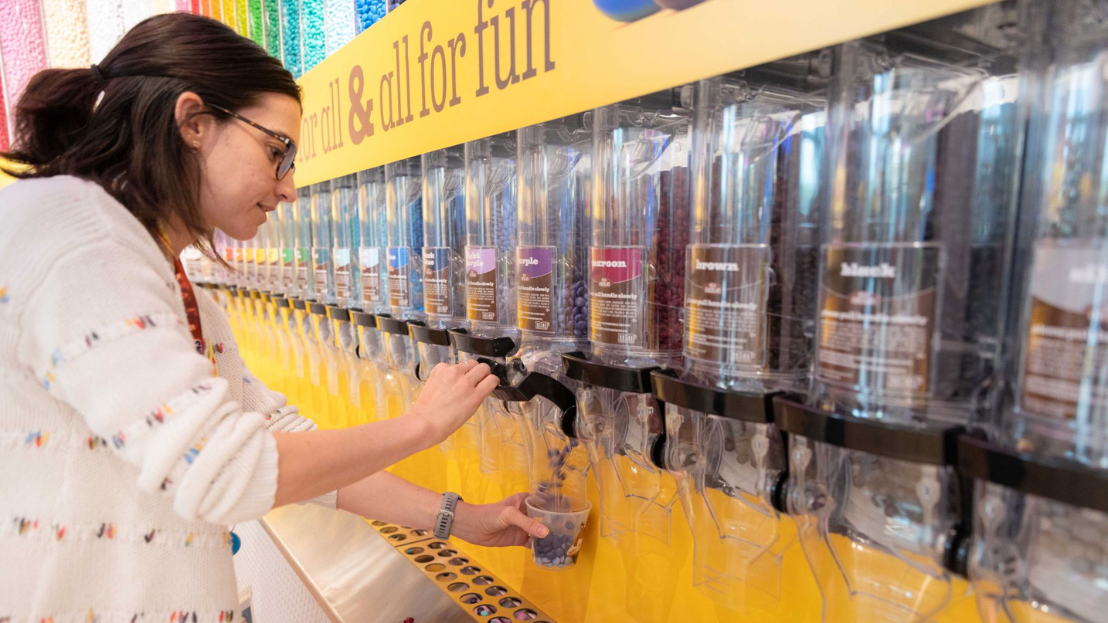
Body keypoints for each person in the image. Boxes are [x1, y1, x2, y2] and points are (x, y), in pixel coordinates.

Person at [0, 13, 547, 621]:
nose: (289, 188)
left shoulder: (173, 283)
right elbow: (228, 467)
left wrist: (458, 518)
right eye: (276, 151)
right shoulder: (77, 232)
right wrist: (421, 425)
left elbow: (279, 440)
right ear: (193, 123)